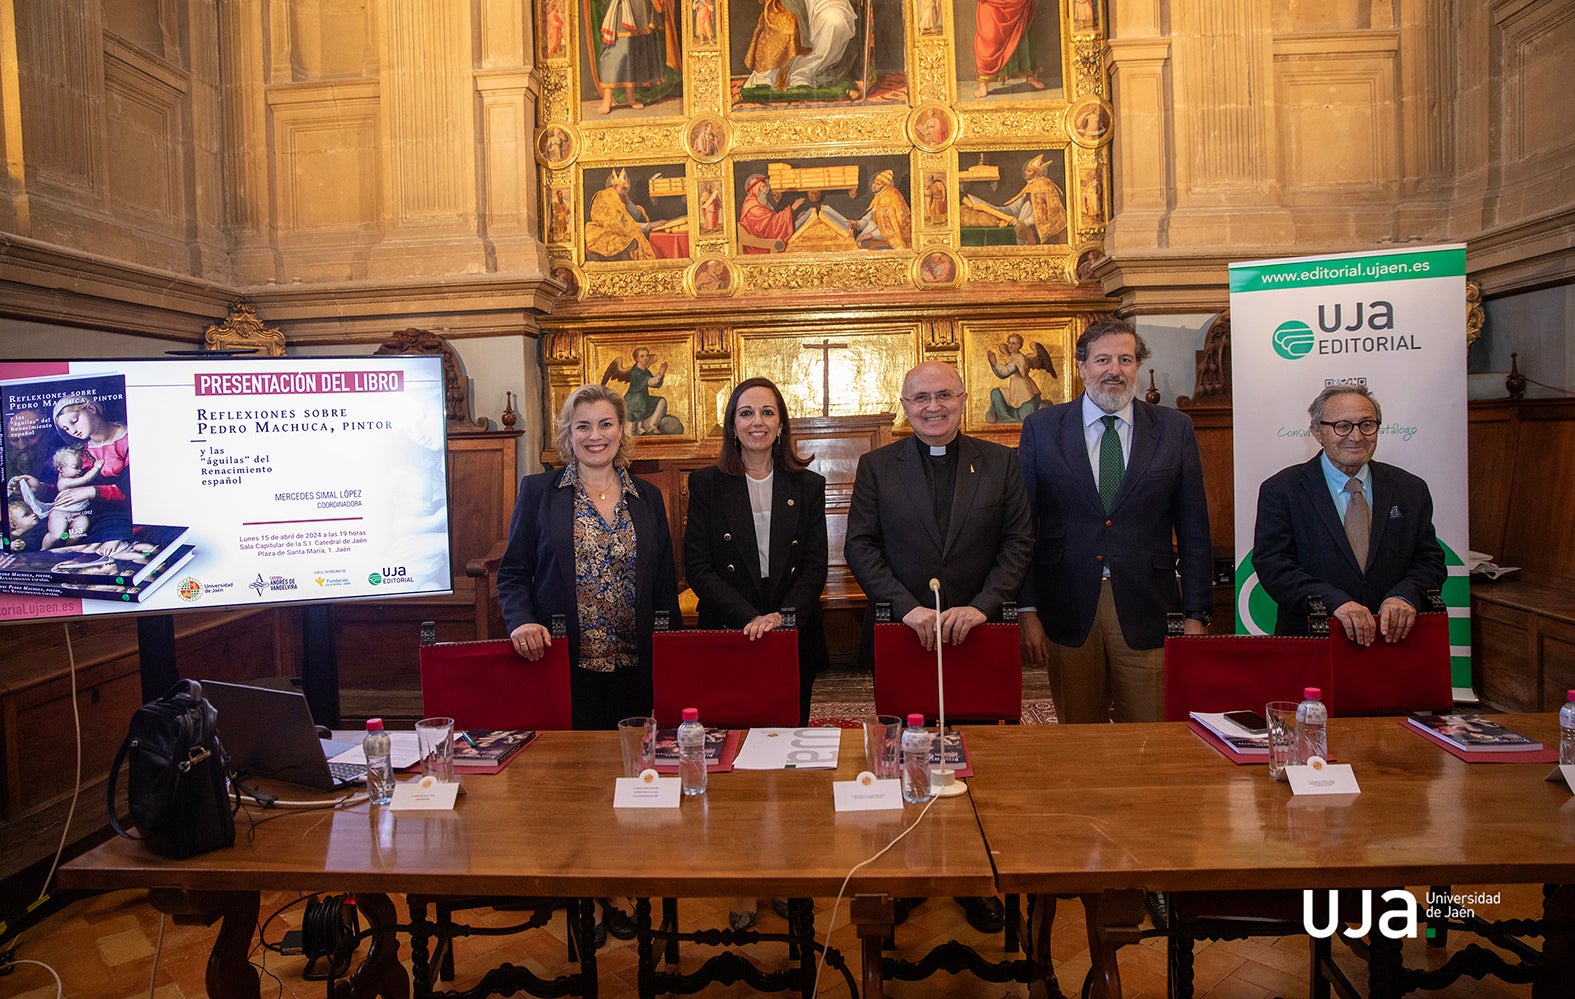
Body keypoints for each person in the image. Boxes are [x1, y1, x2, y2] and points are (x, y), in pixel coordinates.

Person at [844, 361, 1032, 935]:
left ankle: (974, 878)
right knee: (906, 757)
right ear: (904, 405)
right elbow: (861, 546)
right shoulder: (878, 466)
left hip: (977, 634)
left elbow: (1019, 541)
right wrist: (907, 607)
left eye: (944, 395)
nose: (933, 406)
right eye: (921, 397)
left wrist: (983, 605)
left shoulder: (1000, 462)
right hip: (906, 634)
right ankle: (909, 877)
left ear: (964, 398)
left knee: (976, 761)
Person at [1016, 317, 1213, 724]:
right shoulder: (1042, 428)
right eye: (1103, 359)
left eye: (1125, 359)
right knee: (1079, 734)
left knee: (1150, 737)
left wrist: (1196, 614)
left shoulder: (1174, 428)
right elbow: (1023, 528)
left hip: (1148, 605)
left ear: (1137, 366)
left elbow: (1194, 527)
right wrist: (1027, 609)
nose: (1114, 370)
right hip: (1067, 606)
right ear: (1081, 366)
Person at [497, 383, 682, 731]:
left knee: (635, 758)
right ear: (569, 434)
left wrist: (670, 667)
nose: (595, 436)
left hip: (636, 669)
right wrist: (521, 620)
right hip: (565, 664)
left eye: (605, 424)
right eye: (583, 426)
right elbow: (513, 573)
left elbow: (664, 583)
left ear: (621, 431)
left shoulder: (648, 497)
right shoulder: (538, 492)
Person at [1253, 384, 1445, 646]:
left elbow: (1430, 560)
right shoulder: (1282, 490)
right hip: (1314, 640)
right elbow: (1273, 565)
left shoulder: (1410, 489)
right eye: (1342, 426)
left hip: (1393, 641)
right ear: (1317, 432)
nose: (1356, 436)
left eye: (1366, 425)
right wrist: (1334, 603)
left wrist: (1404, 596)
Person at [686, 377, 829, 726]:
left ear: (781, 425)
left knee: (789, 731)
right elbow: (698, 566)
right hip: (729, 622)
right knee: (730, 732)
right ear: (732, 426)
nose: (757, 422)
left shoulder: (808, 485)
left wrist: (782, 617)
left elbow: (814, 566)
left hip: (791, 625)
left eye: (767, 412)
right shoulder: (706, 484)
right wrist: (749, 618)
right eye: (746, 413)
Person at [744, 0, 858, 91]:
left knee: (836, 21)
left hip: (826, 2)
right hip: (791, 2)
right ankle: (769, 75)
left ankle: (803, 73)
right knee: (785, 24)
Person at [968, 154, 1066, 245]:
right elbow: (1015, 208)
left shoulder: (1041, 186)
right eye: (1026, 170)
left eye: (1029, 171)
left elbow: (1042, 215)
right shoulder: (1030, 186)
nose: (1025, 172)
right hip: (1025, 230)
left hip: (1038, 235)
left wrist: (1023, 223)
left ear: (1037, 173)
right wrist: (992, 208)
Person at [972, 0, 1046, 97]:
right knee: (991, 38)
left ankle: (1031, 76)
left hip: (1018, 3)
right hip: (993, 4)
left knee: (1022, 38)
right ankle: (983, 83)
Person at [584, 169, 658, 261]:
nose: (625, 191)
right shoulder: (606, 196)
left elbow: (635, 216)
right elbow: (618, 222)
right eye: (622, 188)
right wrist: (647, 226)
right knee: (628, 242)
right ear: (613, 186)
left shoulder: (621, 200)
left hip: (620, 232)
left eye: (626, 189)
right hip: (603, 232)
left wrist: (627, 200)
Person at [738, 174, 804, 252]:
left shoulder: (756, 202)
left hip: (761, 243)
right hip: (759, 248)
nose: (765, 190)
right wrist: (792, 209)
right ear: (755, 189)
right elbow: (771, 225)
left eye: (765, 186)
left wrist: (794, 218)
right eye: (763, 187)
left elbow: (770, 221)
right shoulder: (753, 206)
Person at [851, 169, 911, 249]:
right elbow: (870, 217)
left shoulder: (888, 199)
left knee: (864, 245)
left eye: (878, 184)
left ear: (885, 186)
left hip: (891, 240)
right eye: (874, 183)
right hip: (876, 235)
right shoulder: (880, 196)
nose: (873, 186)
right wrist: (858, 224)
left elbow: (889, 228)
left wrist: (871, 235)